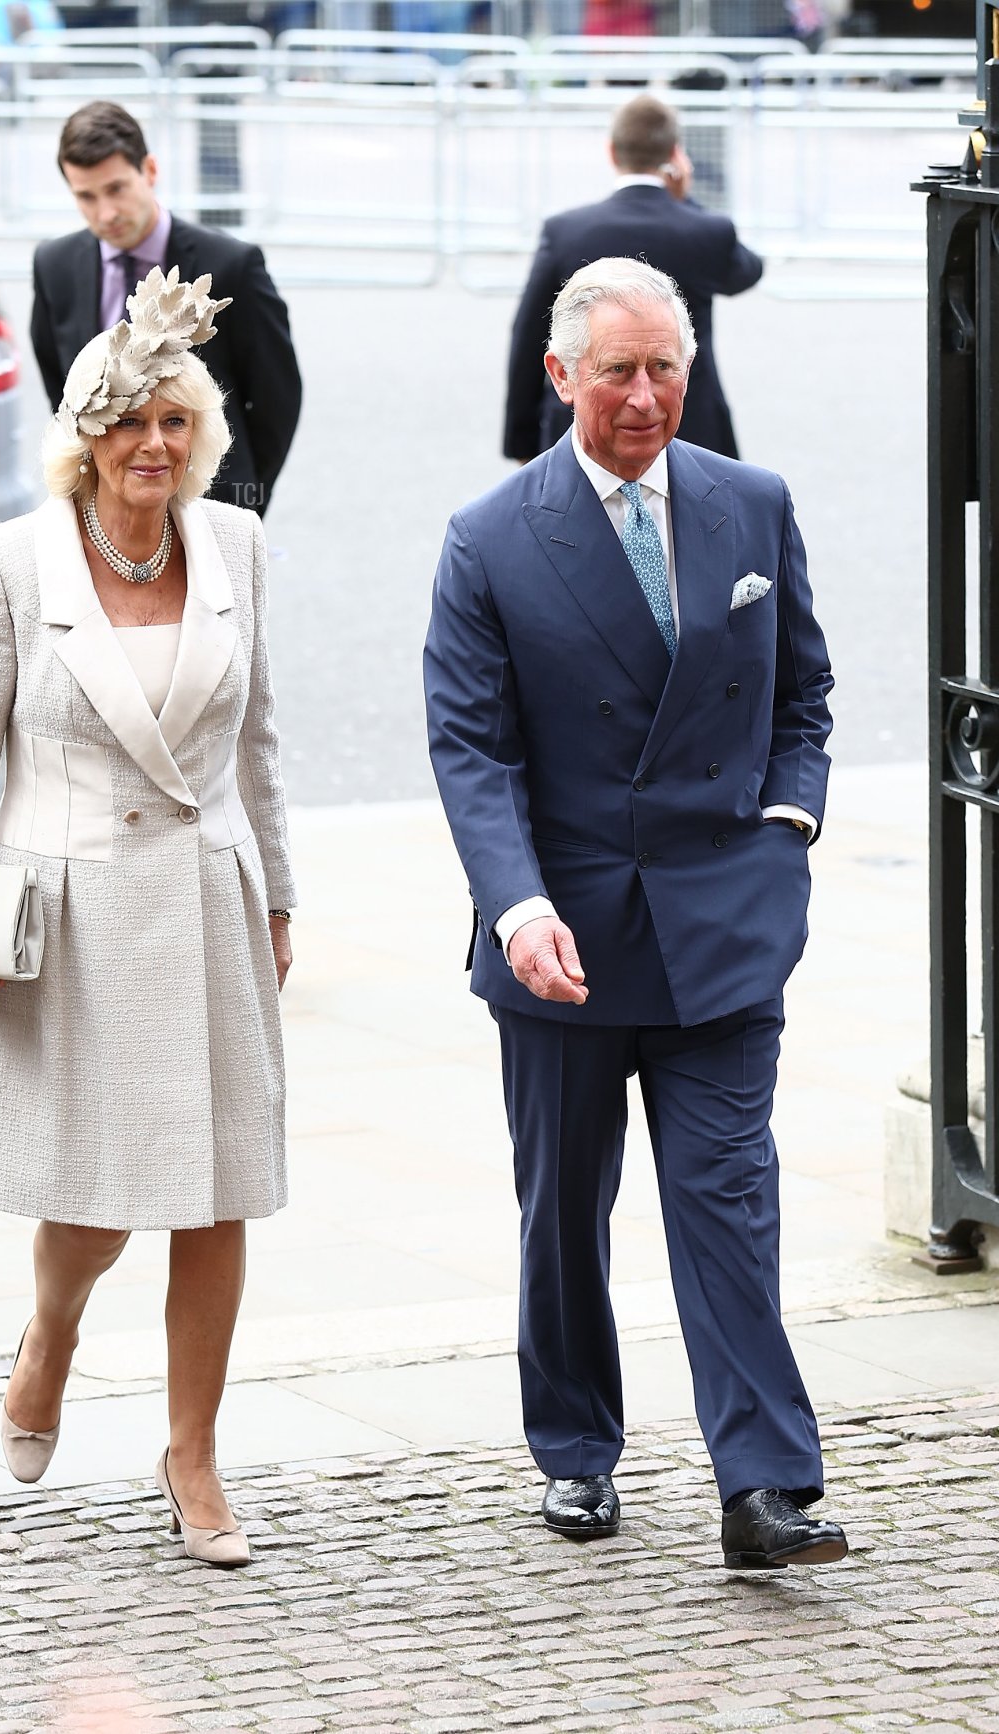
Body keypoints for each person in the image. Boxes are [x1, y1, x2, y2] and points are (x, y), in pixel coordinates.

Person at [425, 256, 848, 1572]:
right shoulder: (491, 538)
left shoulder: (752, 504)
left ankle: (766, 1484)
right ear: (562, 377)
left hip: (726, 926)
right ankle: (576, 1445)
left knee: (728, 1195)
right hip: (566, 940)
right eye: (620, 370)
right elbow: (470, 748)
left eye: (669, 366)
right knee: (564, 1206)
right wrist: (515, 905)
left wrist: (791, 822)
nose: (650, 395)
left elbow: (805, 701)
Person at [0, 268, 296, 1568]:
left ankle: (192, 1452)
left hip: (208, 901)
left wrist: (281, 897)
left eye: (176, 423)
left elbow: (259, 743)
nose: (154, 446)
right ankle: (52, 1331)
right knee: (98, 1205)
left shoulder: (235, 547)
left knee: (218, 1192)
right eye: (129, 424)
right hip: (76, 916)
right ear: (84, 438)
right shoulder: (10, 563)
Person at [31, 102, 301, 516]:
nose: (106, 212)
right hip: (99, 510)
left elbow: (276, 400)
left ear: (150, 171)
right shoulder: (54, 266)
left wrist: (243, 504)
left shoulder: (231, 265)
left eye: (117, 188)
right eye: (86, 196)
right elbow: (64, 392)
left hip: (207, 505)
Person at [503, 93, 763, 467]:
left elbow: (529, 336)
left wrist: (523, 440)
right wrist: (686, 202)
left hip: (584, 426)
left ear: (611, 152)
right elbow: (747, 272)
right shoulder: (706, 231)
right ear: (675, 153)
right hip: (691, 429)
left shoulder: (566, 232)